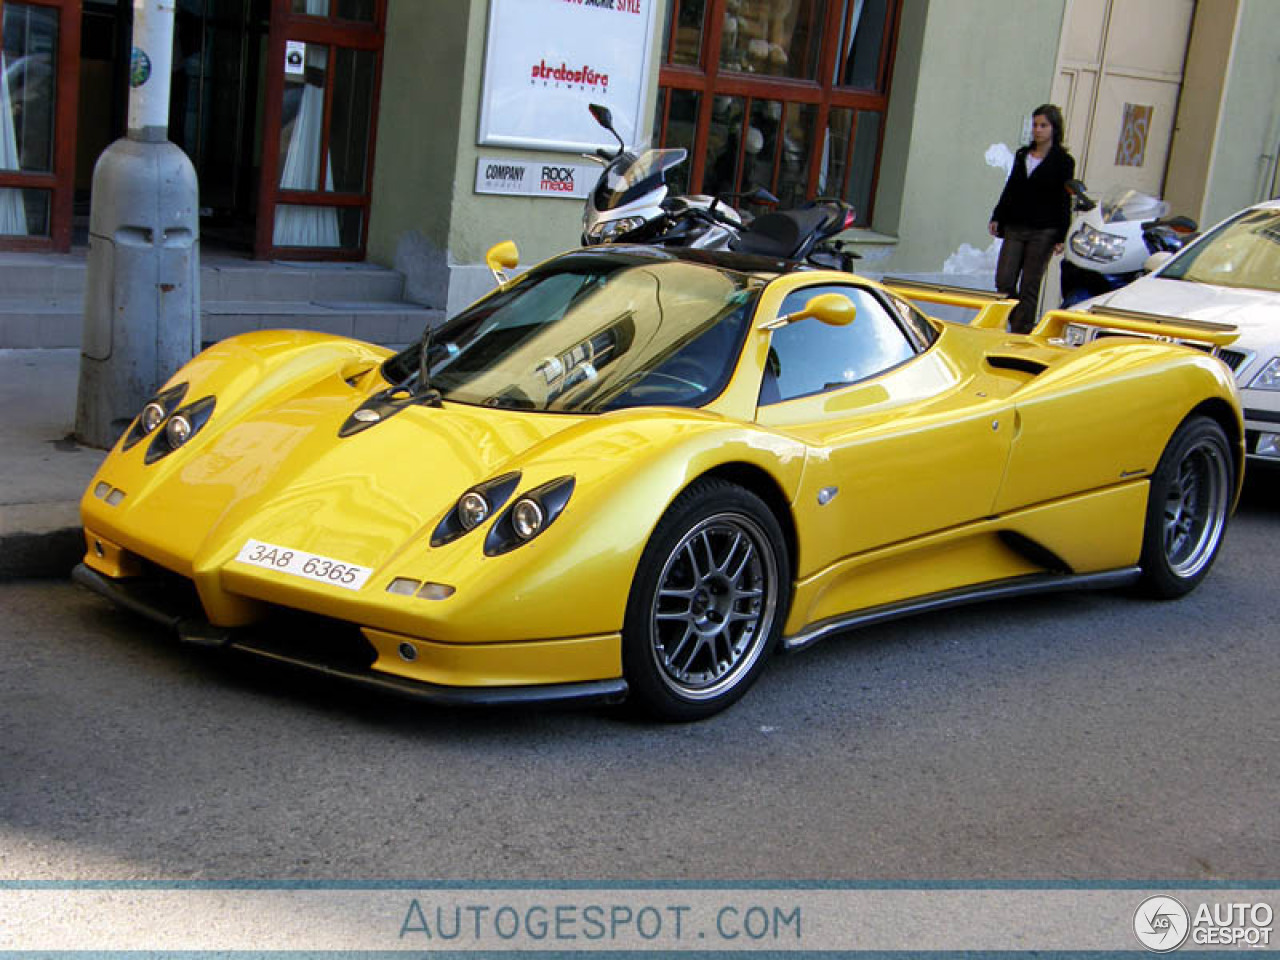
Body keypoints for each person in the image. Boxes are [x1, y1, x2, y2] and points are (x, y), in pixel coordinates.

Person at [988, 104, 1075, 333]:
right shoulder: (1023, 155)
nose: (1038, 130)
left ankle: (1020, 332)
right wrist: (998, 216)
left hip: (1044, 229)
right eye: (1035, 125)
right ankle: (1019, 319)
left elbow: (1064, 200)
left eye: (1043, 125)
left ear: (1054, 129)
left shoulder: (1063, 161)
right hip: (1016, 225)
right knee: (1004, 281)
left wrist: (1061, 235)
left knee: (1030, 284)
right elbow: (1011, 188)